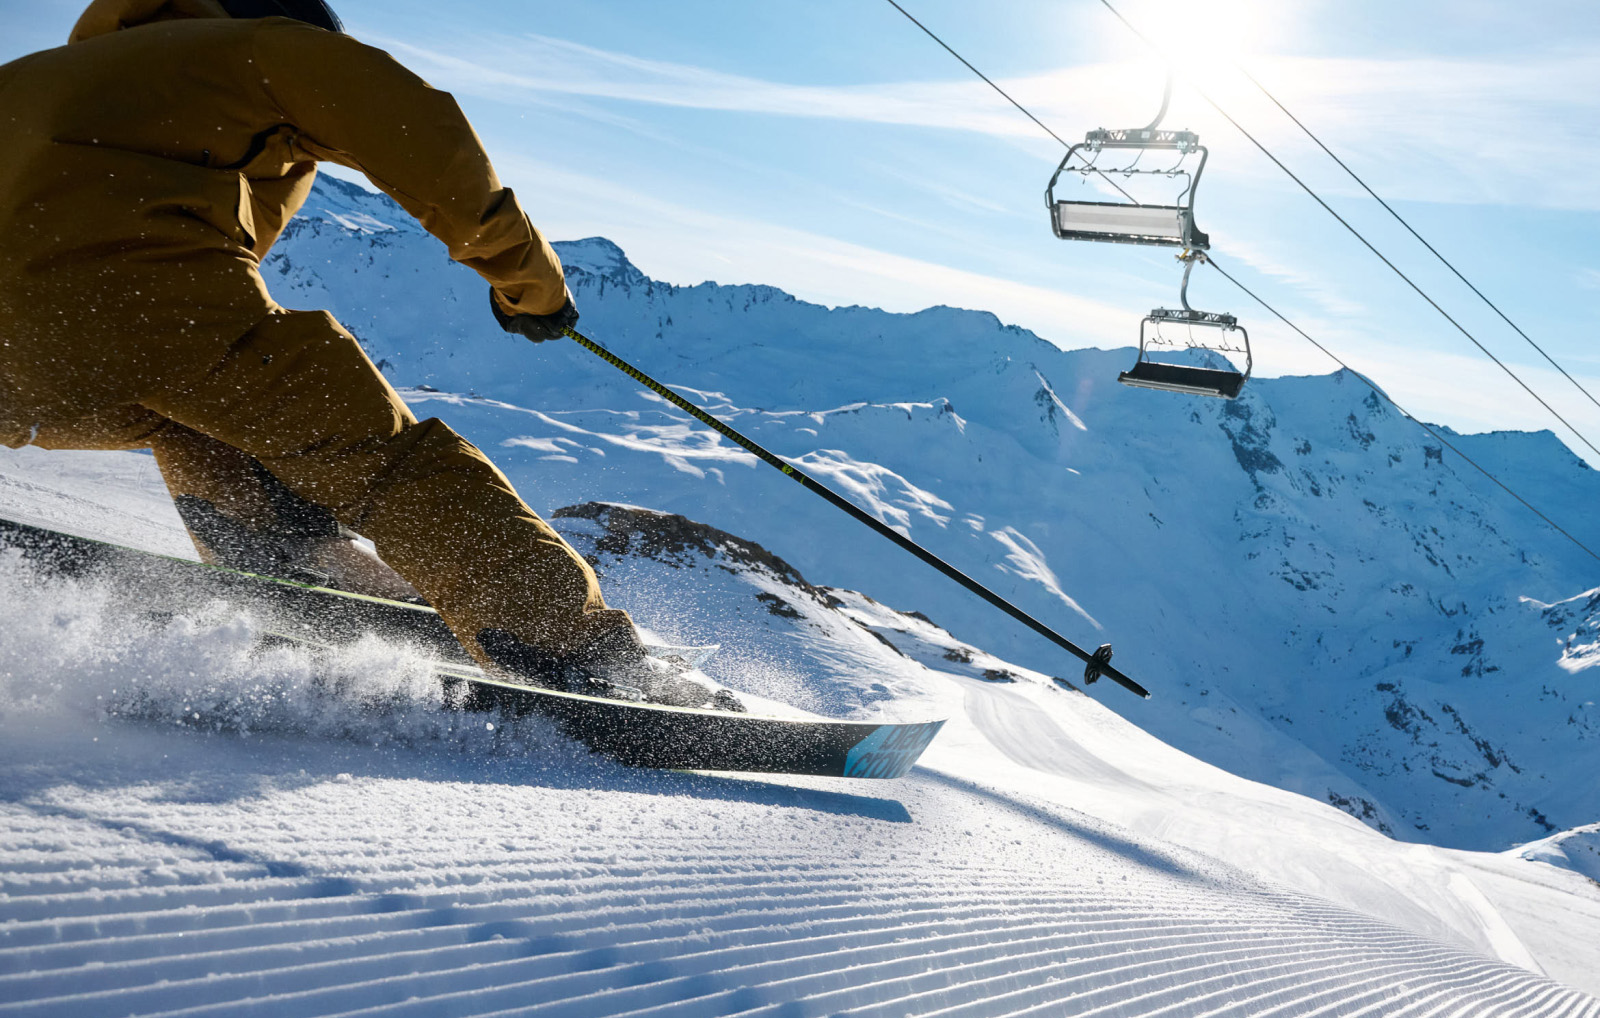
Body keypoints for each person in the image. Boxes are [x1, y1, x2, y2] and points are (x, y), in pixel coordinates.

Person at [0, 0, 737, 709]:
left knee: (192, 416)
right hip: (139, 304)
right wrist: (529, 284)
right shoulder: (255, 47)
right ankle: (583, 656)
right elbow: (415, 132)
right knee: (394, 466)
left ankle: (279, 559)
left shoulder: (38, 74)